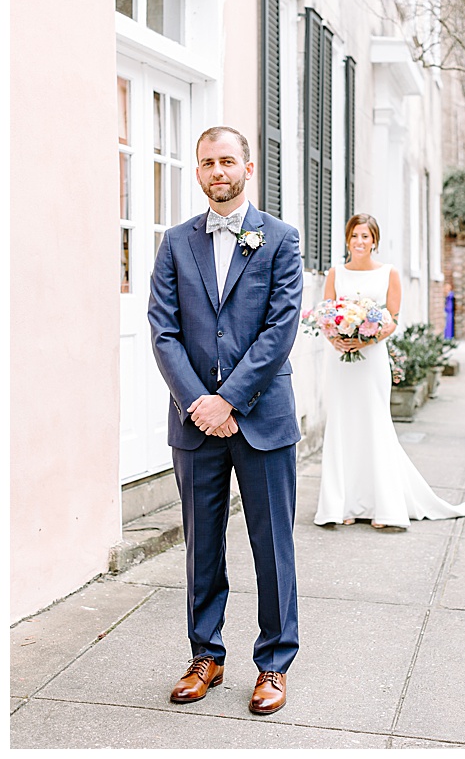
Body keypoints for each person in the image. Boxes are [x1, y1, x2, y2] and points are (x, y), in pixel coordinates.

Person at [147, 125, 303, 716]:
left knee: (272, 546)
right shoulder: (174, 242)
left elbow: (279, 329)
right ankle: (205, 654)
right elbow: (162, 329)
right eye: (207, 162)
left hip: (261, 419)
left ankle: (274, 663)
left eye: (227, 161)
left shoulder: (280, 239)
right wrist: (198, 403)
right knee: (201, 545)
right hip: (194, 422)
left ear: (248, 167)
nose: (218, 171)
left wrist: (229, 401)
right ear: (197, 170)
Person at [313, 214, 465, 528]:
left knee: (374, 424)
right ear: (348, 239)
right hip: (339, 363)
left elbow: (393, 320)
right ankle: (341, 505)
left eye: (366, 236)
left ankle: (382, 506)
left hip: (371, 361)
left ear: (375, 240)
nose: (360, 242)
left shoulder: (389, 274)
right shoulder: (336, 273)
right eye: (355, 235)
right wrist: (337, 340)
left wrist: (365, 340)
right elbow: (326, 315)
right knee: (342, 425)